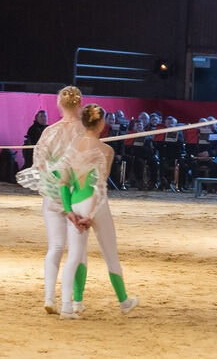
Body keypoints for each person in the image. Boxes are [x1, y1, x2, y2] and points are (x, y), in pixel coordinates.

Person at [58, 104, 139, 319]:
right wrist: (91, 215)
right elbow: (99, 187)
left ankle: (74, 303)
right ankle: (123, 301)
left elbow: (63, 183)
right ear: (101, 123)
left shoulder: (72, 146)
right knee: (110, 254)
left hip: (74, 203)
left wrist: (68, 210)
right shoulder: (106, 151)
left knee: (76, 257)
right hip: (95, 205)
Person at [15, 86, 87, 315]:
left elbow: (38, 163)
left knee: (55, 246)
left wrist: (53, 175)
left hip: (52, 194)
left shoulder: (49, 132)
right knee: (78, 252)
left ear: (59, 104)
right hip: (77, 195)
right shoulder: (85, 132)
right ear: (80, 103)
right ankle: (75, 301)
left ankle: (49, 297)